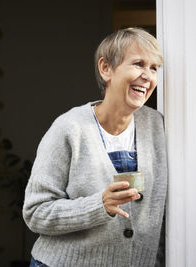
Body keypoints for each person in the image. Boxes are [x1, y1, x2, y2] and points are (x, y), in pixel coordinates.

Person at [22, 27, 167, 267]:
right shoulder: (69, 127)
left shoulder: (158, 126)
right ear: (106, 68)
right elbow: (36, 213)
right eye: (139, 64)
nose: (148, 76)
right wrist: (99, 206)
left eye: (154, 68)